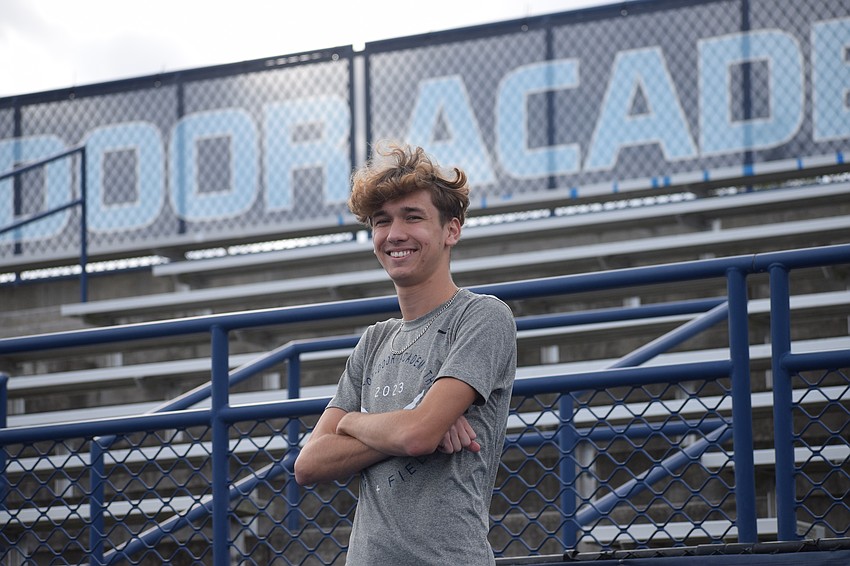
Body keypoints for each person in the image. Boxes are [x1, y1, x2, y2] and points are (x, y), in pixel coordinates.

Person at [293, 142, 517, 565]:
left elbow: (417, 435)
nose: (394, 234)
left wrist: (354, 424)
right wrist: (412, 428)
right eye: (382, 221)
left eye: (413, 217)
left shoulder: (483, 316)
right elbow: (309, 464)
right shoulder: (374, 340)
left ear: (452, 229)